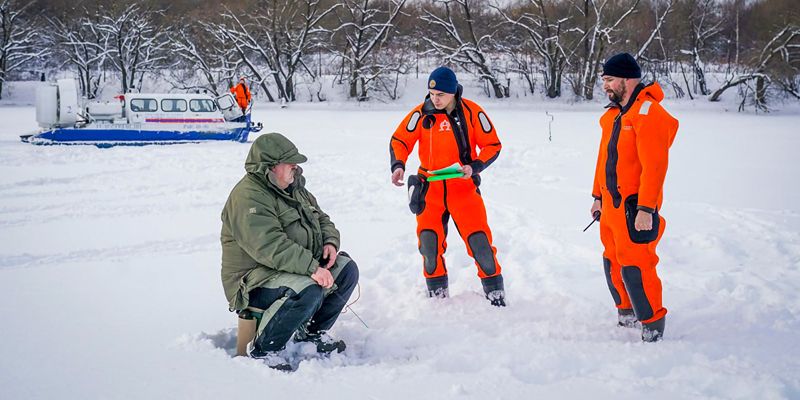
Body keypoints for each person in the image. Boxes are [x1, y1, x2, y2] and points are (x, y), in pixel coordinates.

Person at [221, 132, 359, 370]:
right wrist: (311, 267)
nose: (296, 167)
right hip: (254, 280)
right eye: (290, 163)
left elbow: (322, 218)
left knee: (346, 269)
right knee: (308, 287)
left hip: (289, 268)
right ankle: (264, 350)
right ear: (270, 167)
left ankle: (311, 335)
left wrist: (330, 243)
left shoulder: (293, 187)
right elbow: (270, 246)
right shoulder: (249, 197)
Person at [389, 66, 506, 306]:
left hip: (463, 189)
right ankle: (438, 298)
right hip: (429, 190)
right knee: (429, 246)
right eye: (432, 94)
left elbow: (492, 145)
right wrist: (398, 164)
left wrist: (475, 166)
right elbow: (400, 139)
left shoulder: (472, 112)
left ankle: (495, 294)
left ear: (453, 92)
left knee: (480, 243)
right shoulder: (421, 114)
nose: (435, 99)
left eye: (441, 94)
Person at [590, 53, 679, 342]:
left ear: (627, 79)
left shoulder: (649, 114)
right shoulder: (613, 115)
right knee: (612, 262)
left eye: (609, 79)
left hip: (634, 210)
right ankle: (626, 312)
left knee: (637, 266)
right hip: (610, 207)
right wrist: (597, 197)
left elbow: (655, 167)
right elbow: (603, 160)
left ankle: (652, 323)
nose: (605, 85)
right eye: (604, 79)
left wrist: (646, 208)